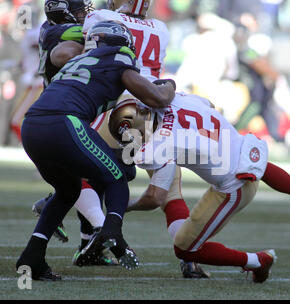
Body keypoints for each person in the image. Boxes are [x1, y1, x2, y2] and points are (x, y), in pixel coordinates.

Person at [105, 93, 290, 283]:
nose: (133, 142)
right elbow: (208, 103)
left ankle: (256, 261)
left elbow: (155, 198)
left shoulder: (157, 146)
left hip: (233, 187)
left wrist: (125, 207)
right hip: (246, 153)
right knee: (183, 231)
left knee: (184, 249)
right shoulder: (176, 99)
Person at [16, 20, 176, 281]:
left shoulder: (79, 59)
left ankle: (32, 257)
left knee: (68, 191)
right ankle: (112, 230)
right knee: (116, 177)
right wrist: (169, 85)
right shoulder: (118, 59)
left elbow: (58, 57)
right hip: (64, 122)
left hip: (32, 125)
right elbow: (157, 98)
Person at [67, 0, 209, 278]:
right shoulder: (161, 28)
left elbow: (81, 52)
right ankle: (189, 258)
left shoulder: (102, 16)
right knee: (171, 193)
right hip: (156, 107)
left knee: (80, 172)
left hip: (116, 103)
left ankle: (97, 229)